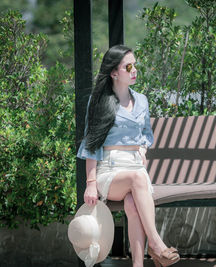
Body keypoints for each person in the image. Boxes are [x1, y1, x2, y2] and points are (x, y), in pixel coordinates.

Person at [77, 45, 180, 267]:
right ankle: (157, 245)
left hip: (135, 166)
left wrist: (142, 150)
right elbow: (91, 145)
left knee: (133, 204)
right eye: (128, 66)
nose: (134, 70)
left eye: (135, 65)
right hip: (110, 171)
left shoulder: (141, 100)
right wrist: (91, 182)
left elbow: (146, 135)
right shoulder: (98, 101)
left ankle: (138, 264)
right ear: (114, 72)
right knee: (138, 179)